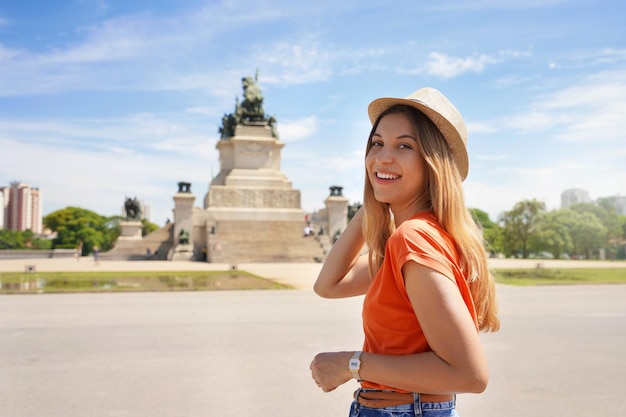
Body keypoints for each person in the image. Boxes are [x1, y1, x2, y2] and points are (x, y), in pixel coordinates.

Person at [309, 87, 500, 417]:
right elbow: (328, 285)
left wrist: (350, 364)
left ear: (433, 163)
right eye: (377, 143)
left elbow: (470, 373)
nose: (382, 157)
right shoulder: (418, 238)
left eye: (404, 145)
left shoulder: (413, 239)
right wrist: (375, 199)